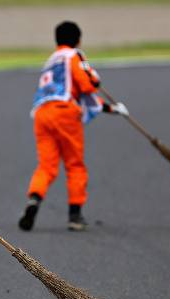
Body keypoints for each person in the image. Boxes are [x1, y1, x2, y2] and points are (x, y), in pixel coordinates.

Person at [19, 21, 129, 232]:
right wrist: (107, 100)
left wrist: (111, 108)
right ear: (78, 39)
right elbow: (88, 85)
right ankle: (75, 215)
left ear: (56, 40)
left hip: (42, 114)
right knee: (74, 164)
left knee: (47, 166)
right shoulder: (74, 55)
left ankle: (34, 198)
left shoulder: (51, 60)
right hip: (65, 114)